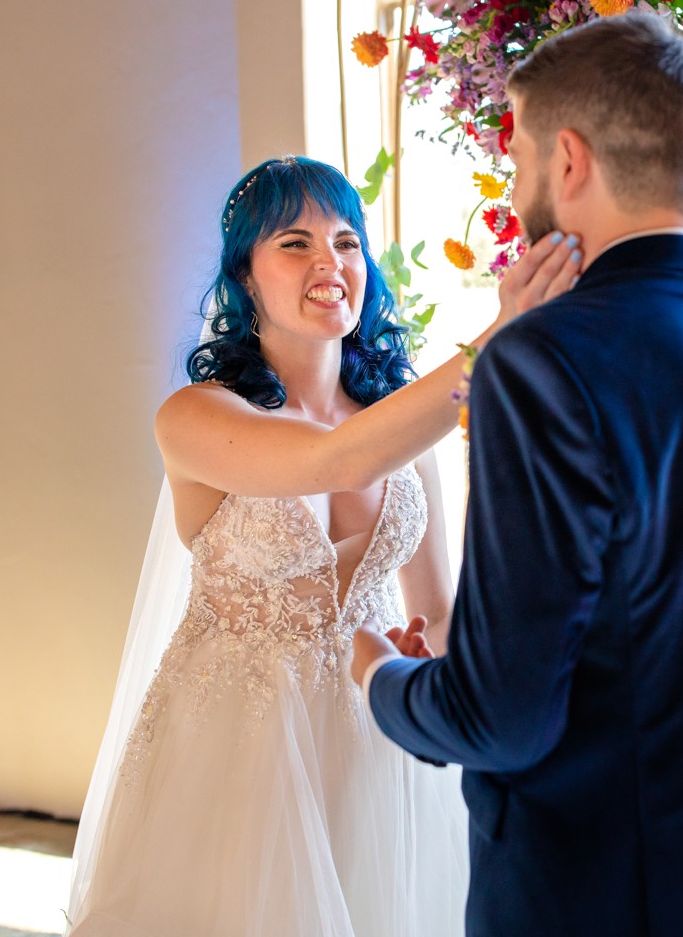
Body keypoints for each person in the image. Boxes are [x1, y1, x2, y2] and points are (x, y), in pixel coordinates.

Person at [352, 13, 683, 937]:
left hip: (604, 897)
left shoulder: (541, 362)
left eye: (518, 159)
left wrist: (384, 680)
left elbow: (502, 719)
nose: (514, 187)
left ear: (570, 160)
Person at [64, 155, 581, 936]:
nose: (330, 262)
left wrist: (449, 692)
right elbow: (331, 460)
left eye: (346, 241)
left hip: (378, 741)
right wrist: (496, 339)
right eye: (295, 243)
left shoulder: (401, 426)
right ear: (245, 277)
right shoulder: (196, 417)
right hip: (237, 747)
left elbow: (437, 609)